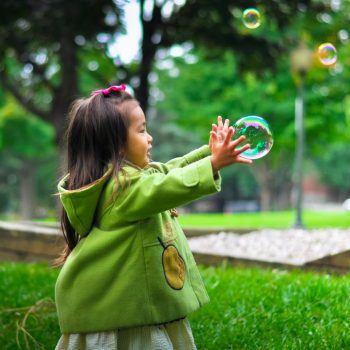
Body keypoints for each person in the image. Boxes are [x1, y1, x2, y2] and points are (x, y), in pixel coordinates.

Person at [54, 84, 252, 350]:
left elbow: (170, 170)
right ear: (117, 145)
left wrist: (209, 153)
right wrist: (213, 164)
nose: (150, 138)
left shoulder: (129, 179)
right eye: (142, 130)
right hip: (122, 318)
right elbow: (167, 186)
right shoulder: (121, 188)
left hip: (133, 309)